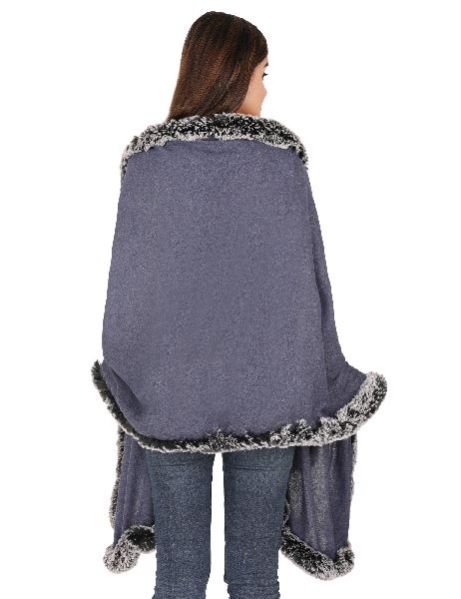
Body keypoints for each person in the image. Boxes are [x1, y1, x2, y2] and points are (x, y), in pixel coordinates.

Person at [91, 10, 387, 599]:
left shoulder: (148, 165)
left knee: (178, 575)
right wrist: (312, 377)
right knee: (254, 576)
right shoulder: (280, 162)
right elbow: (307, 288)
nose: (265, 89)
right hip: (269, 396)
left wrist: (137, 384)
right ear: (232, 72)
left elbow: (130, 291)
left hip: (168, 398)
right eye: (262, 72)